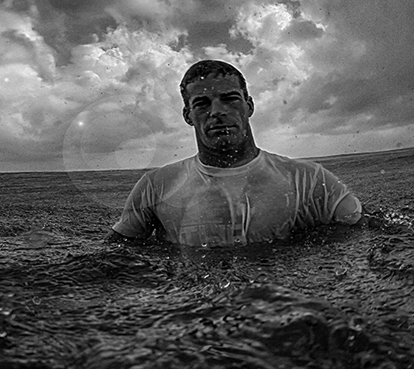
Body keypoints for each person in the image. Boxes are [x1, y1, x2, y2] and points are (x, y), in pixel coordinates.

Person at [105, 59, 364, 248]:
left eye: (230, 99)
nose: (217, 111)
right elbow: (115, 258)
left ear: (249, 105)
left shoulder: (308, 180)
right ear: (188, 116)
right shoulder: (157, 186)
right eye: (202, 103)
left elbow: (361, 237)